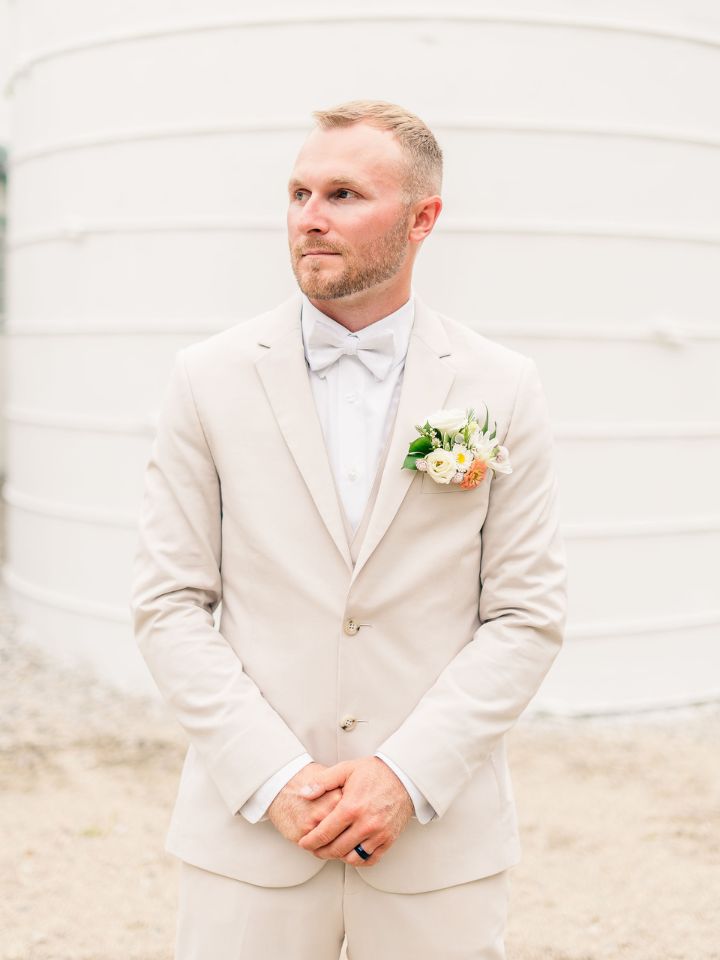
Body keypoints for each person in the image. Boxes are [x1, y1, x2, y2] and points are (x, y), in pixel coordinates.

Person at [130, 98, 568, 960]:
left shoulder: (503, 386)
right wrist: (273, 776)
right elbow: (169, 603)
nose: (309, 219)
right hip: (250, 839)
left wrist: (404, 777)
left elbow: (526, 615)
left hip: (435, 846)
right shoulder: (206, 378)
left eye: (342, 195)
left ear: (422, 220)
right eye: (297, 194)